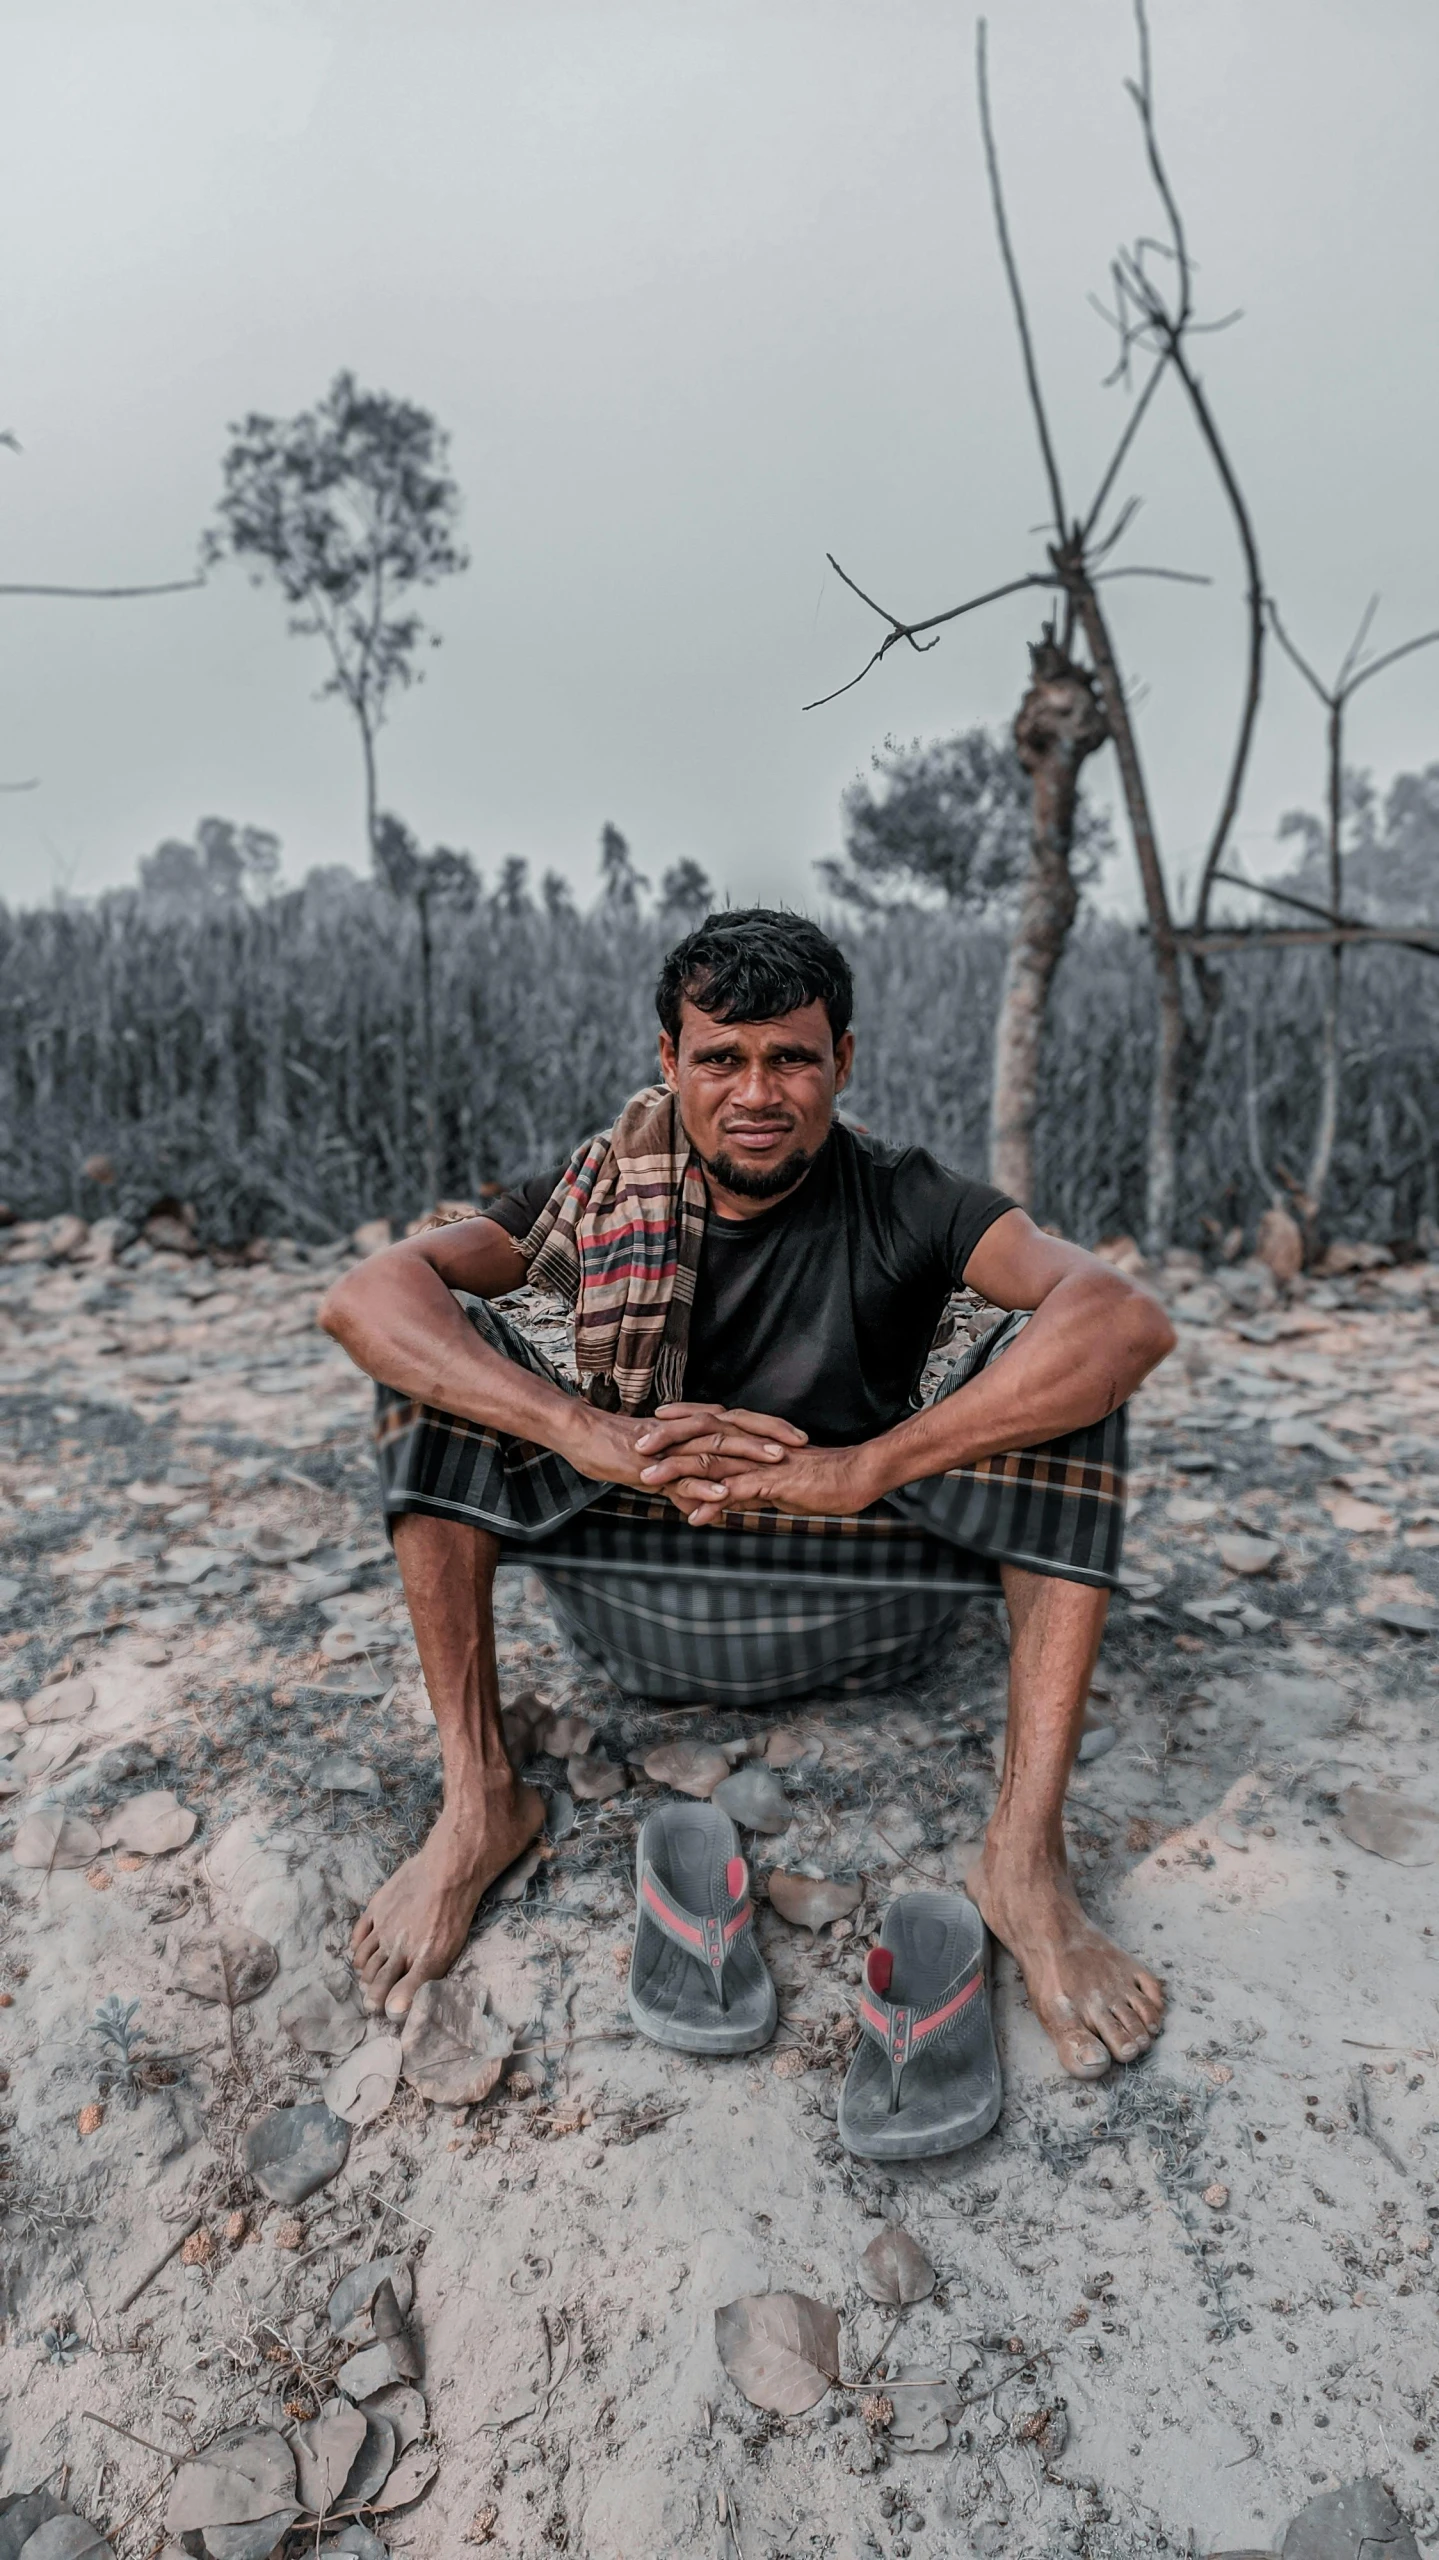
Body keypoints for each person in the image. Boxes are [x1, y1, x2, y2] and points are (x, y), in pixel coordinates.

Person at [319, 907, 1174, 2081]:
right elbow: (366, 1298)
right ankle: (479, 1805)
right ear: (668, 1062)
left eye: (791, 1057)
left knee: (1074, 1389)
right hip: (639, 1619)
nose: (756, 1090)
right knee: (432, 1376)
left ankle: (1022, 1857)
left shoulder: (906, 1198)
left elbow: (1122, 1315)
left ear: (844, 1062)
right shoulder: (595, 1182)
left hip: (861, 1617)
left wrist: (860, 1465)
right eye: (720, 1056)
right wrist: (591, 1432)